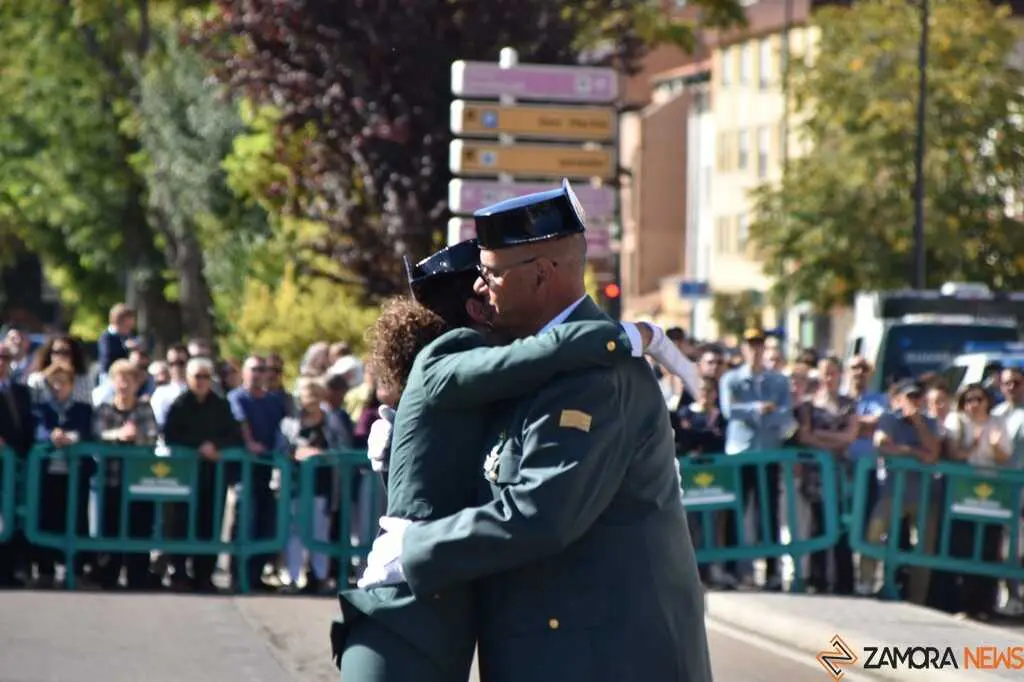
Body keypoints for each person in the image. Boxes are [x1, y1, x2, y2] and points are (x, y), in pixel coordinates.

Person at [359, 181, 712, 682]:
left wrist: (414, 548)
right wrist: (405, 456)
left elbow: (541, 513)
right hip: (557, 652)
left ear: (543, 274)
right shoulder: (533, 365)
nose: (479, 287)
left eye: (489, 273)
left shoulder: (592, 379)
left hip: (603, 660)